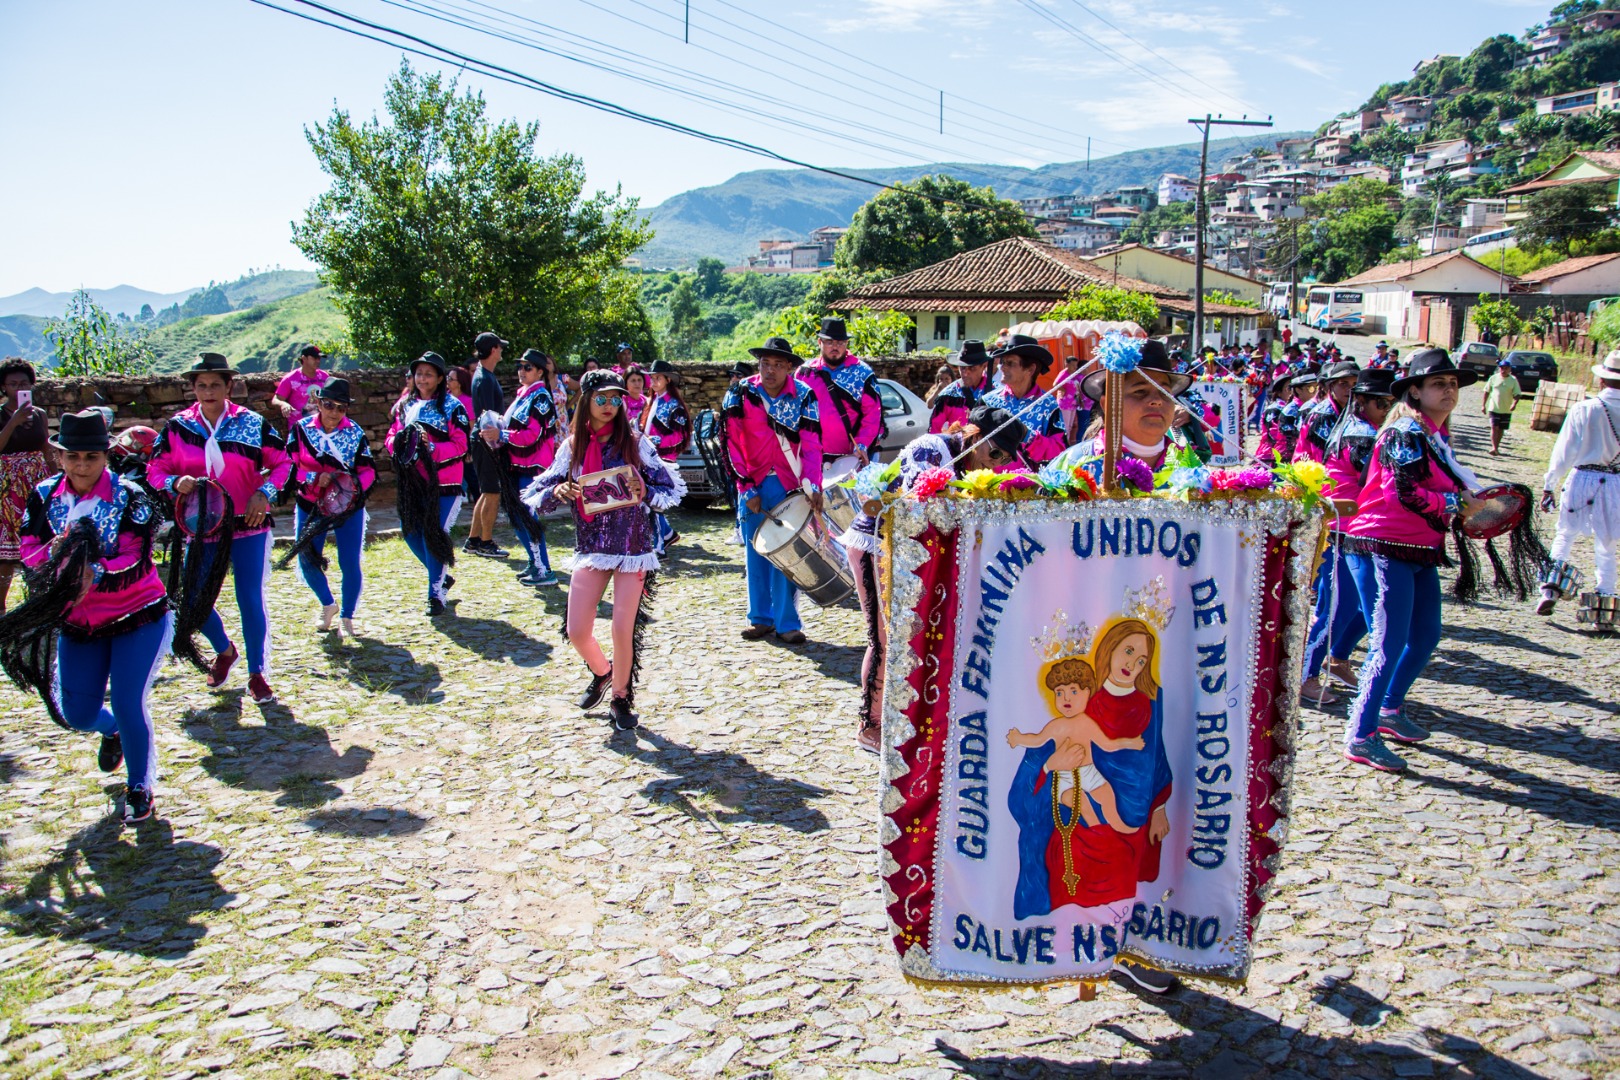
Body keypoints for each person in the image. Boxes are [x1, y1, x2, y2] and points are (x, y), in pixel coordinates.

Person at [839, 405, 1026, 753]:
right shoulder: (930, 449)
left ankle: (900, 718)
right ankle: (870, 725)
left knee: (911, 635)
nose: (996, 462)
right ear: (973, 435)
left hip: (914, 549)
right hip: (878, 543)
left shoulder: (972, 466)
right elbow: (920, 507)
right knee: (885, 634)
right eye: (994, 451)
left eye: (1004, 457)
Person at [16, 410, 171, 824]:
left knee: (127, 701)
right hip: (78, 621)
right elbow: (29, 544)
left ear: (105, 456)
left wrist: (92, 570)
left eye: (91, 456)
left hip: (136, 614)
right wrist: (55, 563)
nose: (82, 465)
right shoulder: (45, 496)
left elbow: (135, 553)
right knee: (77, 713)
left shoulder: (130, 496)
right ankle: (111, 732)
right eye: (73, 456)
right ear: (61, 456)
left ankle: (140, 785)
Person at [1339, 348, 1483, 772]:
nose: (1450, 390)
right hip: (1382, 545)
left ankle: (1388, 708)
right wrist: (1458, 501)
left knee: (1425, 636)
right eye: (1439, 383)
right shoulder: (1405, 432)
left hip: (1419, 548)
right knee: (1387, 642)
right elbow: (1406, 492)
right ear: (1415, 392)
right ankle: (1360, 734)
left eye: (1453, 383)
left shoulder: (1435, 439)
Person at [526, 369, 685, 730]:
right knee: (577, 629)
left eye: (616, 399)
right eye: (602, 398)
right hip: (592, 547)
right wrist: (558, 492)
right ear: (586, 401)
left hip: (633, 548)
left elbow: (668, 490)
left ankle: (620, 697)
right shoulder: (573, 448)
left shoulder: (636, 442)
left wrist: (644, 490)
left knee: (621, 628)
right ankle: (603, 673)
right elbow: (537, 493)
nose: (610, 406)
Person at [147, 352, 291, 703]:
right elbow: (154, 471)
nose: (208, 391)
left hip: (248, 524)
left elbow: (284, 462)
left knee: (249, 599)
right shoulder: (178, 428)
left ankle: (258, 673)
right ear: (193, 389)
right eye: (201, 385)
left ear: (229, 386)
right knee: (192, 599)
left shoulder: (252, 424)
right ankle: (225, 650)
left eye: (215, 384)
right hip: (200, 527)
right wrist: (174, 481)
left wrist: (264, 492)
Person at [1299, 368, 1395, 704]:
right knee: (1338, 608)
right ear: (1364, 402)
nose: (1389, 409)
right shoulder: (1361, 435)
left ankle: (1336, 658)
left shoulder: (1360, 427)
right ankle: (1304, 674)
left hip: (1351, 528)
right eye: (1383, 403)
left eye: (1392, 403)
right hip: (1345, 530)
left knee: (1355, 607)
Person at [723, 337, 824, 646]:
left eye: (778, 365)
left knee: (787, 555)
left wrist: (813, 484)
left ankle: (787, 622)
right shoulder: (739, 394)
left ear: (790, 367)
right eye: (765, 363)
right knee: (755, 553)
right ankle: (760, 619)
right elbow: (730, 442)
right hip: (752, 483)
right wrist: (746, 486)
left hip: (788, 484)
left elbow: (812, 446)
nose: (770, 370)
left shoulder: (805, 396)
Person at [285, 379, 376, 636]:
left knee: (349, 561)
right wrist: (313, 478)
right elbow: (289, 466)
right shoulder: (300, 430)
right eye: (328, 405)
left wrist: (351, 485)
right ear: (318, 403)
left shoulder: (355, 433)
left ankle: (347, 616)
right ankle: (328, 604)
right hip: (311, 504)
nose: (334, 412)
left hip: (347, 506)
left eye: (341, 407)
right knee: (306, 559)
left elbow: (367, 470)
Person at [385, 352, 471, 617]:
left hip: (444, 482)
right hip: (414, 482)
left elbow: (461, 444)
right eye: (419, 374)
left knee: (432, 534)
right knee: (410, 531)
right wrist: (399, 445)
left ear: (440, 378)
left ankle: (435, 595)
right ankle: (441, 576)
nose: (423, 379)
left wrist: (430, 447)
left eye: (429, 374)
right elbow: (391, 436)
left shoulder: (453, 407)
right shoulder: (404, 406)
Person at [1536, 348, 1620, 618]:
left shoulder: (1585, 408)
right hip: (1616, 481)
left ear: (1602, 380)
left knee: (1565, 534)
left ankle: (1550, 589)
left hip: (1582, 478)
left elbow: (1564, 451)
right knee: (1606, 544)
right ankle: (1604, 605)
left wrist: (1550, 483)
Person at [1056, 339, 1195, 474]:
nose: (1157, 401)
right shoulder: (1071, 468)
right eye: (1140, 391)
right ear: (1108, 404)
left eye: (1165, 392)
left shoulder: (1192, 470)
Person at [491, 349, 561, 588]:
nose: (522, 371)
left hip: (532, 467)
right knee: (517, 516)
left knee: (527, 518)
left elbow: (532, 435)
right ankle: (535, 561)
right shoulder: (524, 395)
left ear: (540, 371)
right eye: (520, 367)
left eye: (527, 367)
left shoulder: (540, 397)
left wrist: (501, 433)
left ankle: (544, 569)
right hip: (516, 464)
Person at [800, 317, 883, 482]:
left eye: (840, 343)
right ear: (820, 342)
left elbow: (873, 415)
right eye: (830, 342)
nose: (835, 348)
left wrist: (862, 445)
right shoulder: (805, 373)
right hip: (813, 460)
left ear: (846, 344)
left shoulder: (862, 373)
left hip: (852, 459)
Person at [0, 359, 49, 613]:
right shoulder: (1, 415)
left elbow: (46, 447)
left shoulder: (39, 414)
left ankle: (38, 602)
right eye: (13, 383)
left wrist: (56, 480)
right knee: (5, 550)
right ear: (4, 387)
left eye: (24, 383)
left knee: (39, 539)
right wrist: (14, 421)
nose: (19, 387)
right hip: (6, 487)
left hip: (36, 482)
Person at [983, 334, 1067, 465]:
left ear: (1030, 369)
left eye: (1010, 363)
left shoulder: (1049, 406)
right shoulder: (988, 401)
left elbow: (1059, 450)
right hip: (989, 481)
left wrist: (1027, 435)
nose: (1002, 368)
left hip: (1031, 482)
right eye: (1003, 362)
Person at [466, 331, 510, 559]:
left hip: (483, 440)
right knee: (492, 493)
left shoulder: (485, 375)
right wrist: (496, 443)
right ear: (493, 349)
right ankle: (486, 542)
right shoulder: (484, 379)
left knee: (486, 492)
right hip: (486, 441)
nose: (502, 350)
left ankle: (473, 540)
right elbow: (486, 417)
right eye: (500, 347)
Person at [642, 358, 691, 553]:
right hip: (648, 456)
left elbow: (680, 436)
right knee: (649, 499)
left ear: (667, 380)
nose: (653, 382)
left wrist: (658, 442)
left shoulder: (674, 406)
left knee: (653, 500)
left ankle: (658, 546)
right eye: (652, 378)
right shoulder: (653, 401)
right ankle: (667, 534)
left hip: (663, 459)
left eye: (657, 378)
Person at [1294, 360, 1359, 464]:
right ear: (1331, 386)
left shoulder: (1358, 411)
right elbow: (1321, 460)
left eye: (1355, 384)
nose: (1350, 389)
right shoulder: (1321, 417)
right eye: (1343, 383)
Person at [929, 340, 994, 434]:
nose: (965, 373)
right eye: (962, 368)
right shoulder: (947, 395)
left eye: (972, 368)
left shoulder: (996, 393)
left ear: (984, 366)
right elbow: (934, 431)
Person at [272, 345, 332, 424]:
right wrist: (283, 404)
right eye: (314, 358)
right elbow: (276, 399)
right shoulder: (291, 379)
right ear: (304, 358)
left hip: (322, 426)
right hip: (299, 427)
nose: (318, 361)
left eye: (319, 358)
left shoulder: (324, 377)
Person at [1483, 358, 1522, 457]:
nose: (1503, 370)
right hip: (1494, 407)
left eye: (1506, 368)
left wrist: (1514, 404)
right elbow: (1486, 391)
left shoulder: (1513, 380)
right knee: (1494, 427)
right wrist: (1483, 405)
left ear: (1509, 369)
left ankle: (1497, 446)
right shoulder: (1493, 378)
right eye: (1502, 368)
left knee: (1501, 429)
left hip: (1506, 409)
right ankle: (1494, 448)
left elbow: (1517, 394)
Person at [622, 364, 650, 429]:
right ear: (626, 383)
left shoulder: (647, 401)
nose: (637, 384)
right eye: (633, 380)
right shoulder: (622, 400)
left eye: (639, 380)